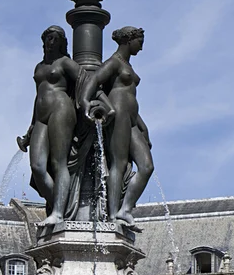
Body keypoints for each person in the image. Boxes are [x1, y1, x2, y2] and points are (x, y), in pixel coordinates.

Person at [80, 26, 153, 228]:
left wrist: (142, 126)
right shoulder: (113, 62)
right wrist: (85, 101)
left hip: (131, 118)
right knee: (118, 164)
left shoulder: (126, 64)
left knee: (147, 166)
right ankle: (113, 216)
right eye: (140, 41)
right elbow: (93, 79)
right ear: (128, 40)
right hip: (119, 114)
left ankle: (125, 209)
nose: (141, 46)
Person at [17, 26, 81, 226]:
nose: (49, 42)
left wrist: (87, 103)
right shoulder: (39, 67)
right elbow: (38, 96)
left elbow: (86, 81)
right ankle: (59, 203)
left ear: (61, 42)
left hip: (61, 109)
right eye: (47, 38)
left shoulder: (65, 63)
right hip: (41, 116)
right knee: (37, 166)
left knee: (58, 163)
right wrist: (30, 127)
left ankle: (59, 213)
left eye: (54, 39)